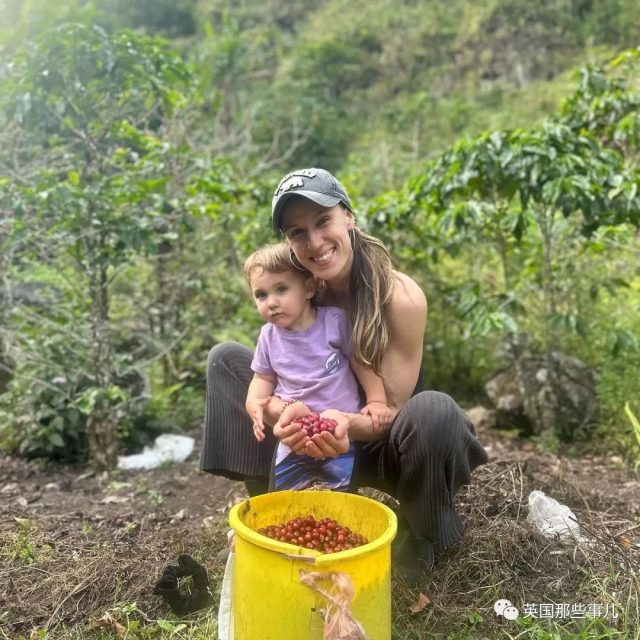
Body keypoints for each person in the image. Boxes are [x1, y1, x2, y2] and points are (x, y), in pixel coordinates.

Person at [201, 168, 489, 581]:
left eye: (323, 221)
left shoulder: (400, 298)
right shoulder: (297, 284)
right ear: (287, 242)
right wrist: (281, 416)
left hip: (374, 442)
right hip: (300, 435)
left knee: (437, 413)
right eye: (297, 232)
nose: (314, 243)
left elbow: (387, 412)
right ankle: (273, 509)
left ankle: (422, 529)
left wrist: (342, 426)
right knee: (225, 359)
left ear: (348, 216)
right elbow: (276, 371)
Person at [243, 242, 392, 491]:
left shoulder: (334, 322)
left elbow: (361, 363)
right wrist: (254, 403)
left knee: (340, 497)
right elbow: (262, 378)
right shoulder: (268, 336)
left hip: (338, 430)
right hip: (294, 434)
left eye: (281, 289)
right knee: (285, 498)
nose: (271, 302)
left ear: (309, 287)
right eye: (261, 294)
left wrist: (377, 400)